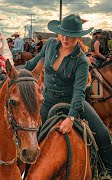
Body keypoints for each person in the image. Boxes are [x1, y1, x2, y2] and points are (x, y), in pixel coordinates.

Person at [24, 14, 112, 175]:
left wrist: (71, 117)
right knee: (28, 135)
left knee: (103, 134)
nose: (65, 38)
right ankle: (24, 172)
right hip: (47, 100)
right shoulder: (50, 44)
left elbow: (78, 92)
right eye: (63, 33)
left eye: (71, 35)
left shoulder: (81, 61)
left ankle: (106, 172)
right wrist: (12, 71)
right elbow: (32, 62)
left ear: (78, 37)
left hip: (71, 100)